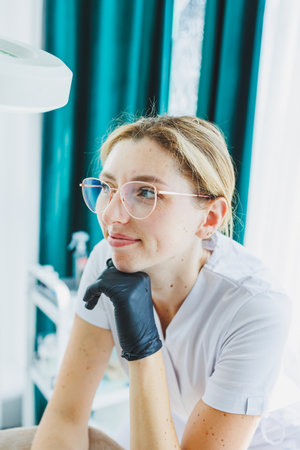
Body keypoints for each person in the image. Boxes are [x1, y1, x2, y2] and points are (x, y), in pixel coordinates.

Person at [31, 115, 299, 449]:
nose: (112, 216)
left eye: (145, 192)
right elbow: (66, 414)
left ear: (209, 218)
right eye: (108, 189)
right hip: (164, 419)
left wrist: (142, 344)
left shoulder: (256, 308)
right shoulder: (107, 257)